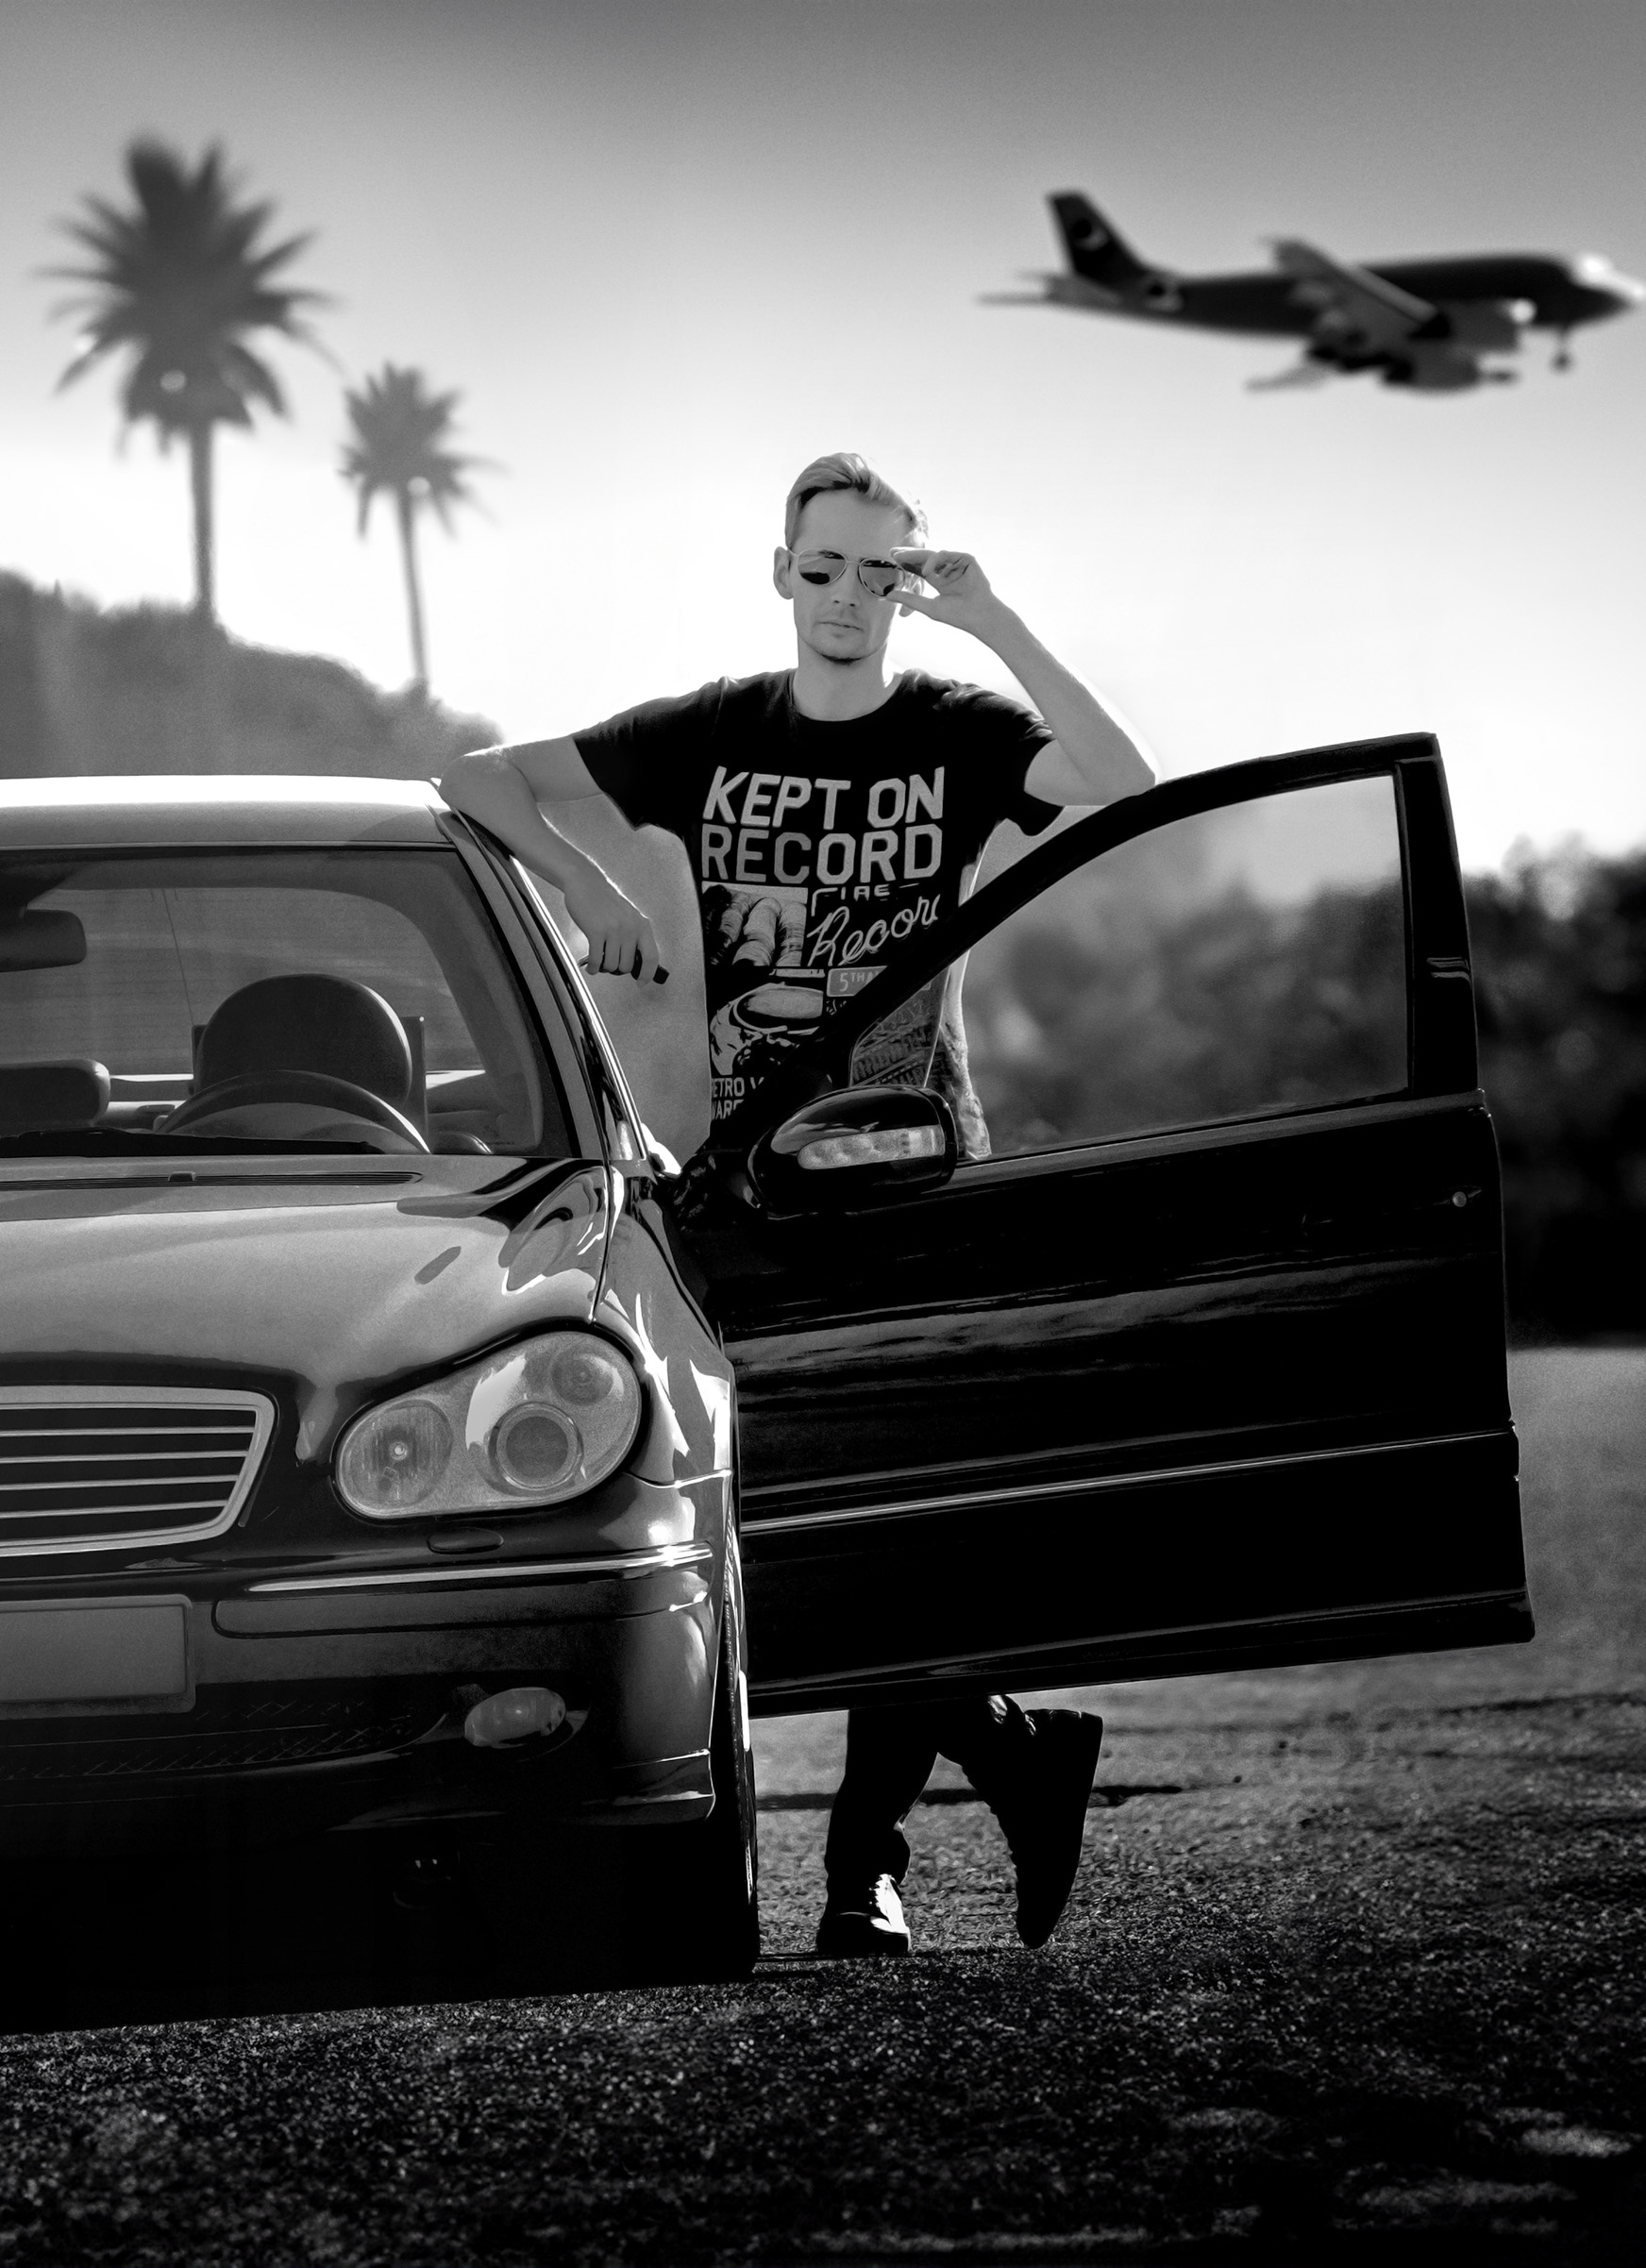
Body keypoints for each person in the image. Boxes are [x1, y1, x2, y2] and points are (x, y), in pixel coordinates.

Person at [438, 452, 1156, 1957]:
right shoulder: (713, 734)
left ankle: (862, 1870)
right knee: (794, 1511)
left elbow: (1130, 791)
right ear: (781, 574)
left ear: (906, 583)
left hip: (910, 1162)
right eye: (820, 569)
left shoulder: (957, 735)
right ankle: (1017, 1757)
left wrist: (999, 622)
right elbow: (479, 781)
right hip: (753, 1175)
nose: (845, 600)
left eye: (876, 575)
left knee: (900, 1512)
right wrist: (600, 894)